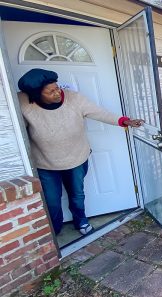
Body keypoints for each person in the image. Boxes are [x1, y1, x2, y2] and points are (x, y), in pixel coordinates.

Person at [18, 68, 143, 236]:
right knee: (52, 201)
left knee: (77, 194)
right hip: (45, 163)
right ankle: (54, 229)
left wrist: (124, 121)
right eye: (51, 91)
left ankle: (81, 220)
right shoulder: (23, 103)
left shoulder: (73, 98)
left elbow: (99, 113)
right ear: (35, 95)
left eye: (57, 88)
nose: (57, 93)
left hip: (76, 157)